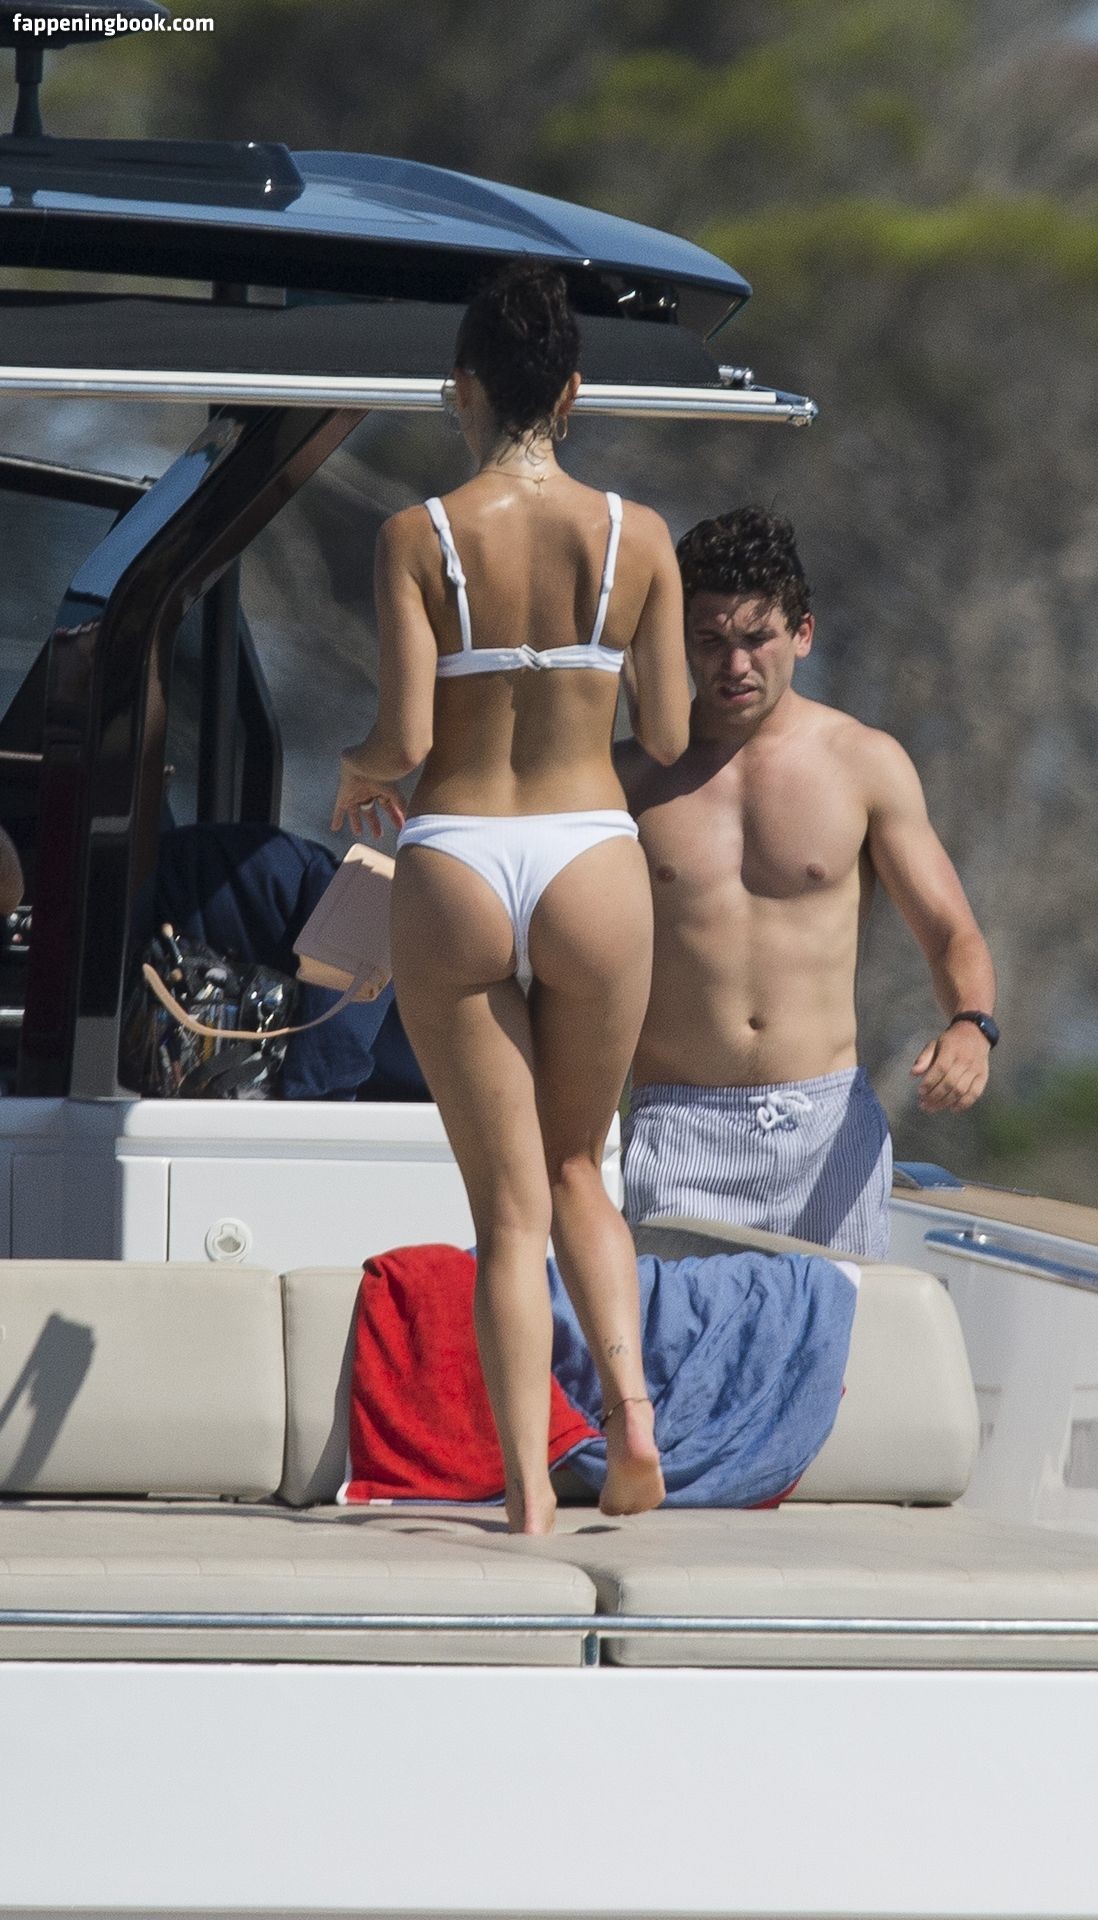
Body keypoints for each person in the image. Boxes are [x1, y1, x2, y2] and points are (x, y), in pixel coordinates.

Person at [332, 263, 689, 1533]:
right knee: (582, 1166)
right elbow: (671, 730)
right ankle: (632, 1423)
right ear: (573, 393)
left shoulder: (415, 535)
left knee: (505, 1214)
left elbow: (405, 736)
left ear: (463, 389)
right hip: (591, 852)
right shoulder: (639, 537)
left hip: (461, 855)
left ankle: (531, 1495)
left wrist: (356, 774)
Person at [616, 507, 997, 1258]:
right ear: (679, 643)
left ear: (803, 634)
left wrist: (971, 1026)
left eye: (757, 638)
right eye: (710, 641)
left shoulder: (864, 763)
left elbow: (952, 932)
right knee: (673, 1336)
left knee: (834, 1337)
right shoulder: (630, 779)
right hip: (678, 1125)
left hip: (826, 1134)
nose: (735, 666)